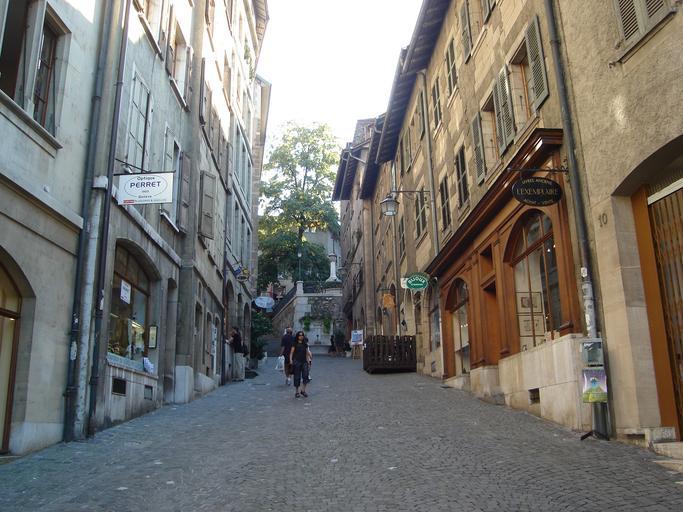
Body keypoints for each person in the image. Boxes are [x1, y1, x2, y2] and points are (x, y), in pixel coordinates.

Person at [289, 330, 312, 398]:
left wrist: (308, 362)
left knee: (306, 376)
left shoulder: (305, 344)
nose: (301, 336)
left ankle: (303, 390)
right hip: (297, 362)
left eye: (302, 335)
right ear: (297, 336)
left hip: (304, 362)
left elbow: (307, 353)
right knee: (297, 377)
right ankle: (297, 392)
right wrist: (291, 360)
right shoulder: (295, 344)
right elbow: (291, 353)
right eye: (300, 335)